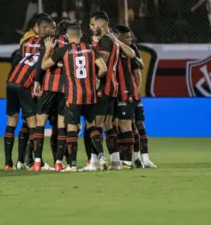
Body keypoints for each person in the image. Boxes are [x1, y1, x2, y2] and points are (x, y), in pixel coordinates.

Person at [41, 23, 108, 172]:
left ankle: (72, 165)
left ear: (67, 36)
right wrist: (96, 78)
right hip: (90, 94)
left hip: (73, 95)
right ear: (81, 35)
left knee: (71, 128)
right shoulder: (91, 48)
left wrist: (48, 50)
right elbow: (104, 68)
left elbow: (44, 66)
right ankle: (102, 156)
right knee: (91, 126)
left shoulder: (63, 50)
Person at [82, 11, 136, 171]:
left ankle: (95, 161)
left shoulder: (106, 41)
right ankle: (116, 161)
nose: (91, 27)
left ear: (102, 24)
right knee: (107, 125)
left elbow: (102, 67)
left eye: (93, 24)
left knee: (93, 124)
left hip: (102, 88)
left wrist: (94, 81)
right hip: (113, 89)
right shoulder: (113, 40)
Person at [4, 17, 55, 171]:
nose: (54, 31)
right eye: (52, 28)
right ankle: (33, 161)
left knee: (12, 120)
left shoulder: (26, 42)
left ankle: (9, 163)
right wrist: (37, 82)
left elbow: (15, 61)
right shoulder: (46, 45)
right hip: (25, 84)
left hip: (11, 81)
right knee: (33, 122)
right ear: (44, 29)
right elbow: (41, 65)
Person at [115, 26, 157, 169]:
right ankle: (136, 158)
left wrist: (137, 93)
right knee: (128, 126)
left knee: (138, 124)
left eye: (130, 37)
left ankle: (144, 158)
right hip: (120, 93)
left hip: (132, 93)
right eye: (127, 37)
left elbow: (139, 67)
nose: (130, 39)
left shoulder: (131, 48)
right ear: (118, 37)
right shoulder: (113, 48)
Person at [30, 22, 69, 172]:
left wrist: (37, 81)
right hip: (65, 89)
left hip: (49, 87)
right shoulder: (71, 45)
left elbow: (41, 63)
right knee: (61, 126)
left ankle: (38, 162)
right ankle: (59, 163)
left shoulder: (49, 41)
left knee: (40, 123)